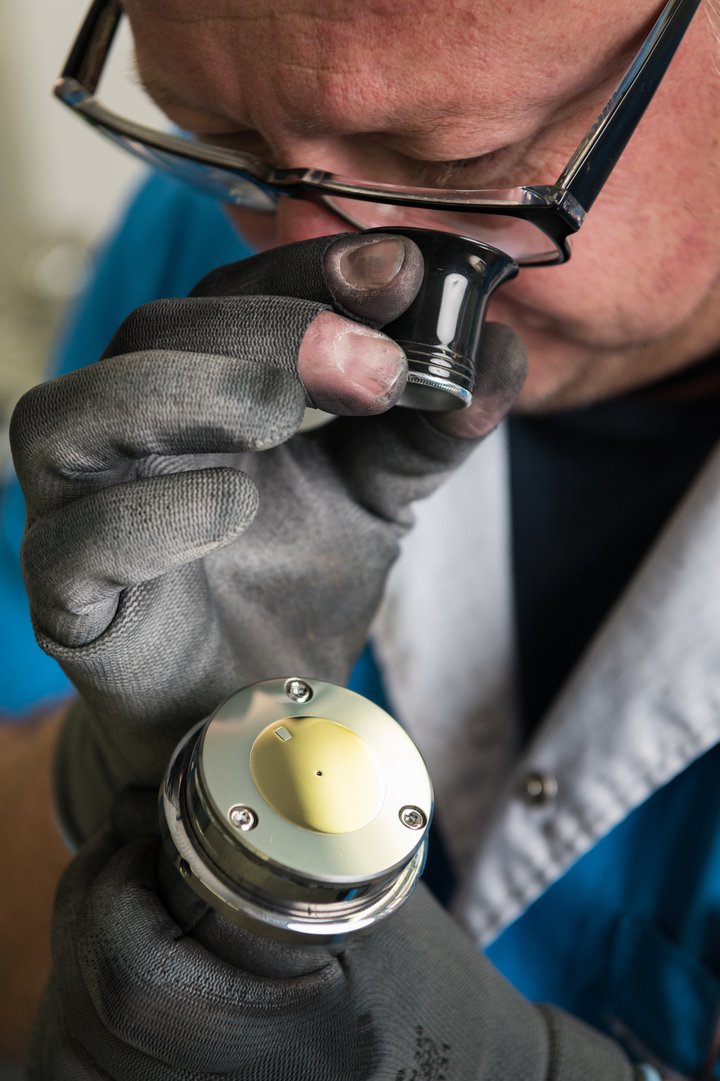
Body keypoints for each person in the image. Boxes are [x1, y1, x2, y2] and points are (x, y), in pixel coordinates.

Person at [3, 0, 720, 1075]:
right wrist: (126, 789)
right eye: (220, 134)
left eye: (456, 155)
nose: (336, 259)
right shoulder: (205, 235)